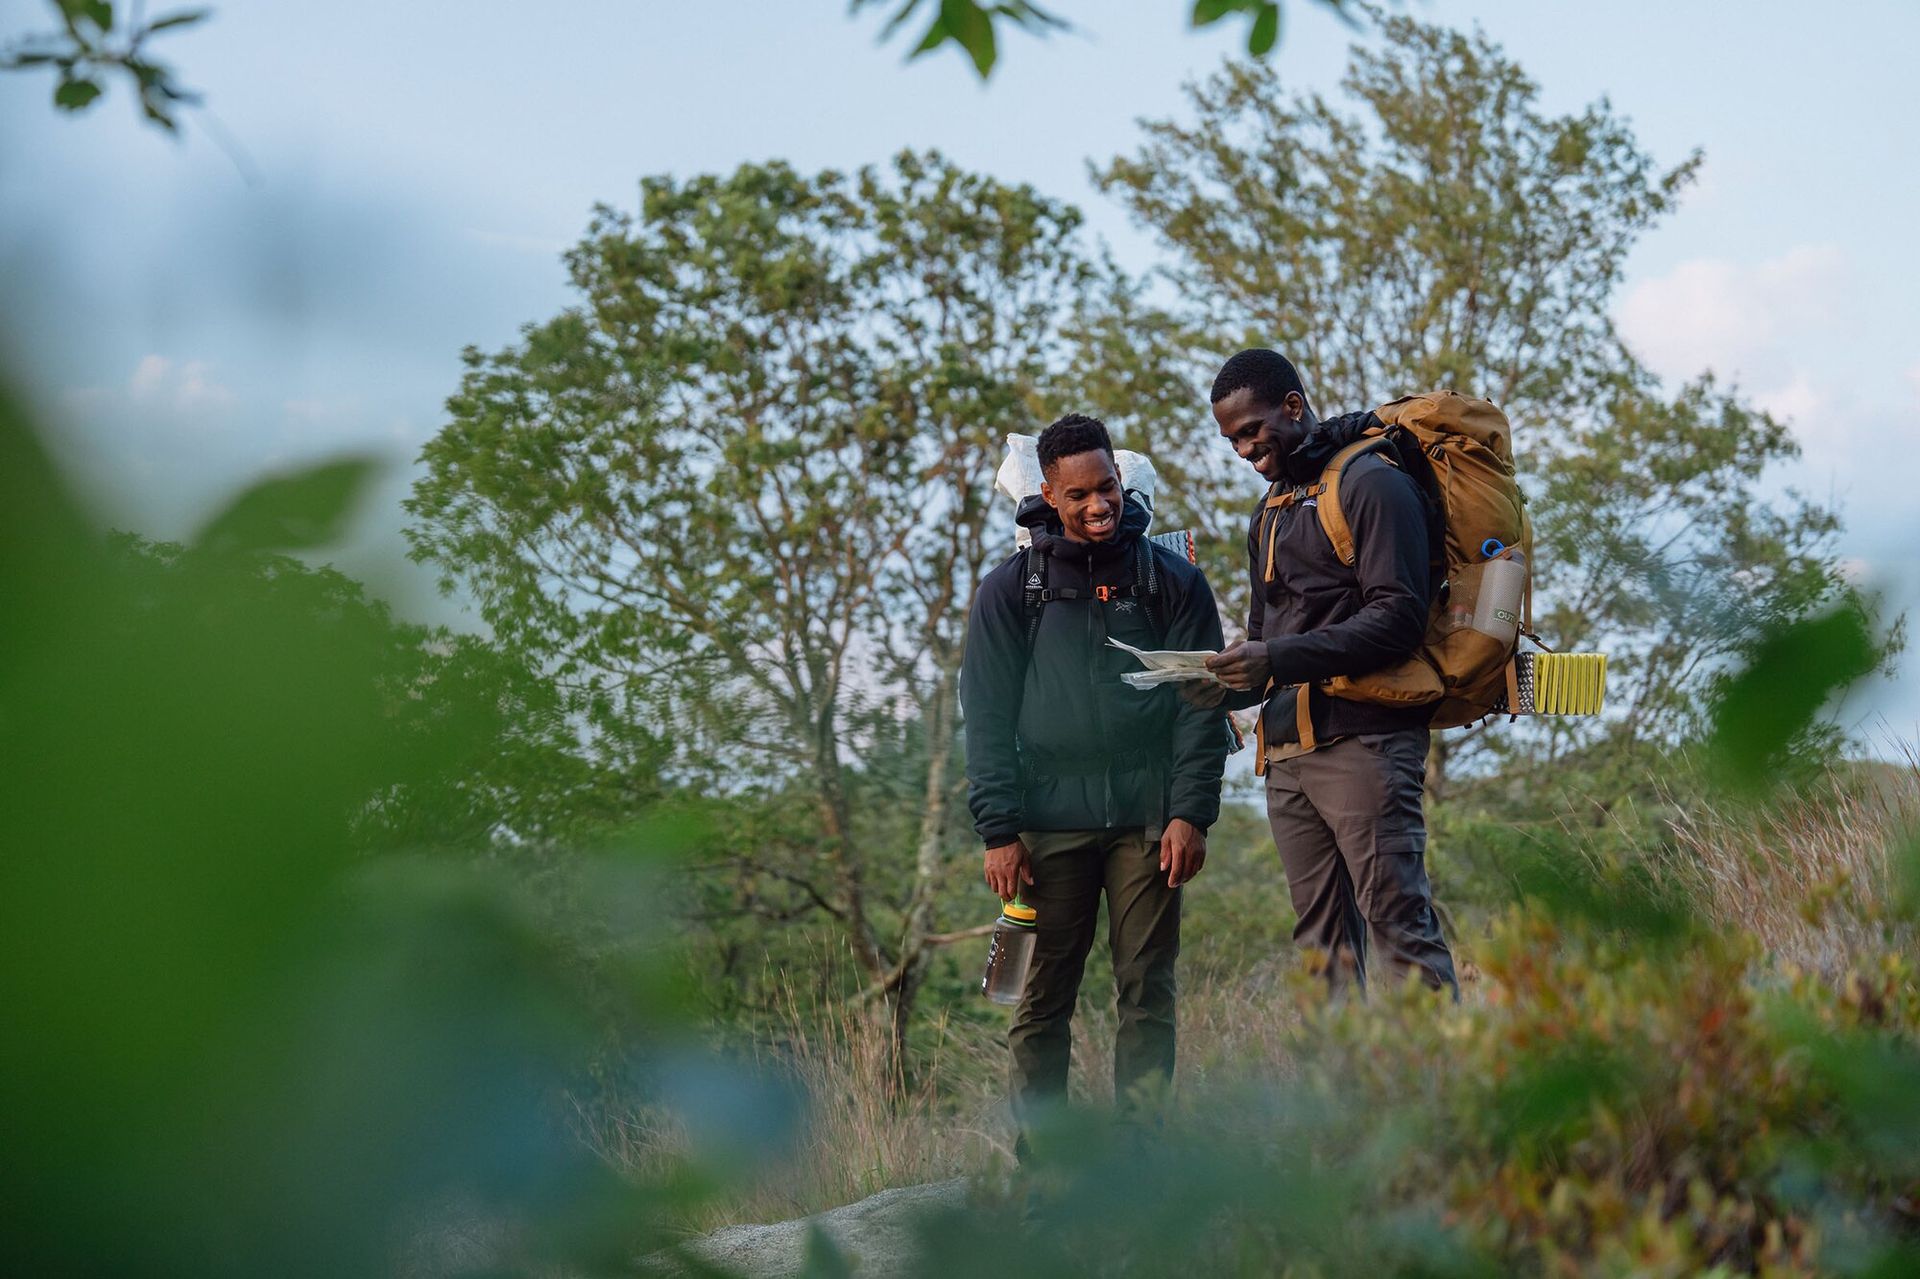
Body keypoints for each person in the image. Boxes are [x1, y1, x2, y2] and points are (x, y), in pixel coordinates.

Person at [961, 413, 1228, 1141]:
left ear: (1121, 477)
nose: (1097, 505)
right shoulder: (1011, 591)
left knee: (1148, 993)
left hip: (1149, 823)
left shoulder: (1172, 581)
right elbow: (984, 717)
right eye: (1077, 494)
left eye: (1106, 487)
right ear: (1048, 494)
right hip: (1046, 826)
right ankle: (1042, 1168)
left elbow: (1202, 707)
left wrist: (1190, 813)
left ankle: (1138, 1168)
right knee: (1041, 1000)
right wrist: (998, 829)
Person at [1196, 349, 1458, 997]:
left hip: (1366, 743)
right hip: (1286, 754)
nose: (1243, 449)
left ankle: (1444, 1094)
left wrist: (1275, 659)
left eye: (1252, 430)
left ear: (1293, 405)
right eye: (1231, 439)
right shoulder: (1270, 511)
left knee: (1400, 927)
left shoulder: (1372, 483)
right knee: (1323, 951)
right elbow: (1264, 642)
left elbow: (1398, 618)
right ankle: (1346, 1099)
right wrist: (1223, 676)